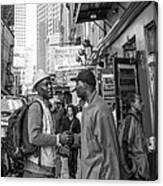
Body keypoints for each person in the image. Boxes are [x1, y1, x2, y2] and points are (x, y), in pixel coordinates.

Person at [23, 69, 73, 178]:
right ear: (37, 88)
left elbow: (47, 135)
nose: (50, 87)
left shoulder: (46, 108)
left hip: (46, 170)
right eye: (46, 85)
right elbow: (34, 137)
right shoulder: (36, 107)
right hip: (36, 171)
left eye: (50, 84)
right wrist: (58, 139)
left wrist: (59, 148)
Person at [71, 69, 120, 179]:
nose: (76, 89)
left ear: (85, 85)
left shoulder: (100, 110)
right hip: (90, 174)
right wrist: (74, 139)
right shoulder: (88, 109)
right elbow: (90, 140)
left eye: (77, 84)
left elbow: (109, 149)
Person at [118, 93, 150, 180]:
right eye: (139, 101)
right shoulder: (130, 120)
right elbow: (124, 143)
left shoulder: (135, 120)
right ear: (132, 104)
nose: (142, 104)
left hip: (140, 169)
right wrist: (130, 167)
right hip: (136, 171)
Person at [60, 104, 81, 178]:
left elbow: (79, 131)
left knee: (74, 157)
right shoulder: (65, 120)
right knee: (69, 157)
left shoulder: (76, 120)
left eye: (70, 110)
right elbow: (62, 129)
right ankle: (70, 172)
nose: (69, 112)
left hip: (74, 142)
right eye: (68, 110)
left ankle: (74, 172)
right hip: (68, 141)